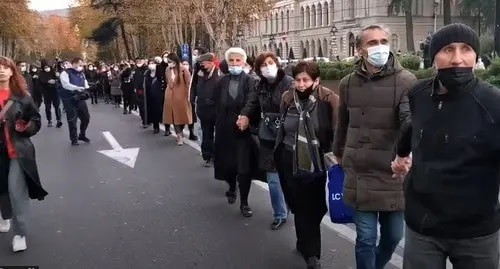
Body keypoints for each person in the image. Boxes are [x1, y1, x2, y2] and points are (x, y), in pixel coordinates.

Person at [392, 23, 500, 269]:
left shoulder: (493, 103)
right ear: (434, 56)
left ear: (476, 56)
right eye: (448, 49)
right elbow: (411, 125)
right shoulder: (418, 94)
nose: (458, 59)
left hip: (476, 233)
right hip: (423, 226)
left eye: (466, 49)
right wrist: (400, 156)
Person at [332, 24, 416, 269]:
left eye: (383, 41)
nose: (379, 47)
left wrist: (406, 154)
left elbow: (408, 120)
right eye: (372, 43)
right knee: (366, 239)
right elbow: (343, 123)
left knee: (393, 237)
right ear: (360, 50)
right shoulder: (347, 83)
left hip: (392, 172)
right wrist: (338, 152)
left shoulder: (406, 80)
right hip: (360, 171)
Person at [273, 61, 338, 269]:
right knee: (298, 205)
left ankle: (309, 251)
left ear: (316, 80)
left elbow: (337, 130)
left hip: (315, 162)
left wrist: (339, 158)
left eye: (306, 80)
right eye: (298, 80)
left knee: (314, 208)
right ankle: (308, 248)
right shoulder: (287, 98)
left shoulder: (328, 99)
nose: (301, 85)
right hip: (288, 158)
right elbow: (283, 126)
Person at [238, 52, 293, 230]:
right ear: (258, 69)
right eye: (263, 65)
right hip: (267, 135)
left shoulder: (289, 83)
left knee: (290, 177)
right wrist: (244, 115)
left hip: (287, 136)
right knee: (273, 179)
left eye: (270, 63)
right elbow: (251, 103)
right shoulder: (259, 85)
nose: (268, 67)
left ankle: (291, 204)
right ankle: (279, 214)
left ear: (277, 63)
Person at [0, 56, 48, 252]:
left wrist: (26, 127)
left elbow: (36, 120)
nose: (1, 70)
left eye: (5, 67)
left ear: (12, 71)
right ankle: (5, 215)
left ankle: (20, 234)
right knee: (2, 189)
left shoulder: (23, 97)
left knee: (16, 191)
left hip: (17, 153)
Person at [213, 47, 259, 218]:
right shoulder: (221, 81)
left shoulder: (250, 81)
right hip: (225, 129)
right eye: (231, 60)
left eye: (237, 60)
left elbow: (251, 100)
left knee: (244, 167)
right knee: (228, 164)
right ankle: (232, 187)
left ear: (243, 62)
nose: (234, 64)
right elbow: (217, 104)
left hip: (242, 130)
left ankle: (245, 202)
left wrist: (245, 115)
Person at [192, 53, 220, 166]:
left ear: (210, 62)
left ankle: (218, 155)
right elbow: (193, 86)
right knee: (206, 133)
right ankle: (208, 156)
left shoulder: (218, 73)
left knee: (218, 134)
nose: (201, 66)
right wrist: (192, 99)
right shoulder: (199, 73)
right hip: (203, 108)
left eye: (203, 63)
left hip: (216, 107)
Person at [59, 57, 91, 146]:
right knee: (72, 120)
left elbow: (85, 84)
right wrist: (77, 88)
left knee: (86, 118)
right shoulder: (65, 73)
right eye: (79, 64)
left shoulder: (81, 73)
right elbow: (66, 85)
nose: (81, 66)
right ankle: (74, 139)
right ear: (74, 63)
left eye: (82, 64)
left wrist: (88, 89)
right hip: (70, 99)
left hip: (80, 98)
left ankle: (82, 134)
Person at [163, 53, 193, 145]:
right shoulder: (167, 69)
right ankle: (179, 135)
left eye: (170, 62)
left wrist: (189, 95)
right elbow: (168, 81)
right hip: (170, 96)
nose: (169, 64)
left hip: (182, 96)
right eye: (168, 62)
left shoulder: (183, 69)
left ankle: (181, 130)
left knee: (182, 117)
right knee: (174, 117)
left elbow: (188, 83)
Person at [39, 60, 62, 128]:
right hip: (47, 92)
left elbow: (58, 80)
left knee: (57, 106)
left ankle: (59, 120)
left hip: (55, 91)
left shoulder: (54, 71)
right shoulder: (41, 73)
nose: (47, 68)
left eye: (48, 67)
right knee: (48, 107)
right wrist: (47, 81)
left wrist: (57, 78)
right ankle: (49, 120)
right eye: (45, 67)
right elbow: (41, 81)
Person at [144, 59, 164, 134]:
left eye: (153, 63)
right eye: (150, 63)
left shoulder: (159, 72)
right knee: (153, 111)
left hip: (159, 95)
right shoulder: (147, 73)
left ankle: (166, 127)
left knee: (160, 110)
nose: (151, 65)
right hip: (150, 95)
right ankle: (156, 127)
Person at [133, 57, 148, 128]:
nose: (139, 63)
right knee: (141, 106)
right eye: (137, 62)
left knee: (145, 106)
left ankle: (146, 121)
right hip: (138, 90)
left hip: (145, 89)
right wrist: (135, 88)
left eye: (140, 62)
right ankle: (143, 119)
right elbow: (135, 80)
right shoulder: (136, 70)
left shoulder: (146, 70)